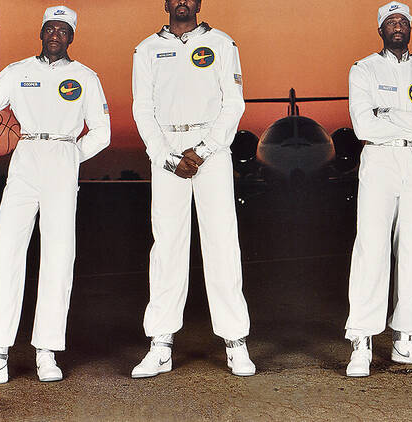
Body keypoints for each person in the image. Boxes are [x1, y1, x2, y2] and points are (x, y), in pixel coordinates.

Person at [131, 0, 255, 377]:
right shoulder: (147, 49)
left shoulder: (222, 43)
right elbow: (142, 109)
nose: (182, 1)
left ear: (199, 3)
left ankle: (235, 342)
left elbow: (233, 104)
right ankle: (161, 344)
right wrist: (167, 157)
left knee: (222, 243)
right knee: (167, 245)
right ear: (166, 3)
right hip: (168, 153)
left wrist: (203, 150)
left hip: (211, 152)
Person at [0, 5, 111, 384]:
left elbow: (102, 131)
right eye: (50, 29)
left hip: (63, 155)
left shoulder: (85, 77)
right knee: (5, 250)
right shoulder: (17, 72)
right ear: (41, 33)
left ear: (71, 36)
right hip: (26, 154)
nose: (56, 35)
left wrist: (73, 154)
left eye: (63, 30)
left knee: (58, 254)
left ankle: (46, 351)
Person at [344, 1, 412, 377]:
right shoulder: (364, 69)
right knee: (371, 248)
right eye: (390, 22)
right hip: (379, 161)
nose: (397, 26)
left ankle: (405, 339)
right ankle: (361, 341)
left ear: (410, 27)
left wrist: (387, 114)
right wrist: (410, 121)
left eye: (403, 20)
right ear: (381, 30)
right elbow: (364, 128)